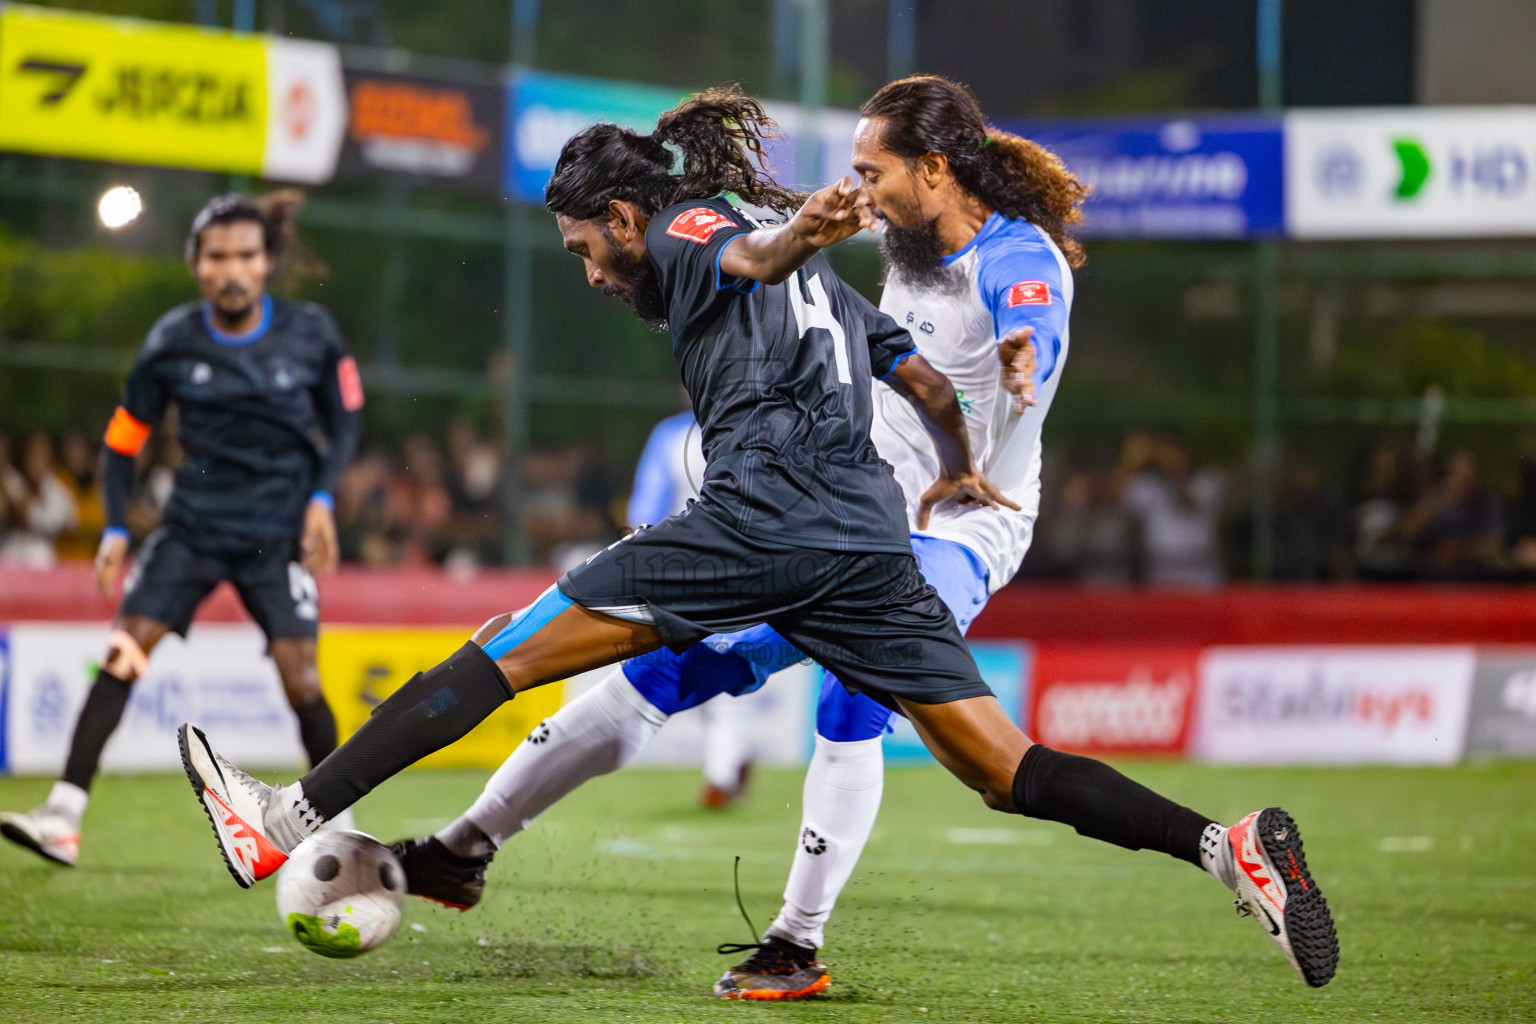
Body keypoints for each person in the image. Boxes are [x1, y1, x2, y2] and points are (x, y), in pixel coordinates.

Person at [177, 86, 1338, 992]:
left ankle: (278, 821)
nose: (587, 272)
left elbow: (745, 258)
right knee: (1002, 765)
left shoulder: (706, 226)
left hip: (762, 514)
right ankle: (1225, 847)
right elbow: (923, 374)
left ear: (626, 216)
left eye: (587, 247)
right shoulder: (842, 281)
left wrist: (801, 241)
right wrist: (963, 457)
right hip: (869, 540)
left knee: (511, 648)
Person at [386, 73, 1069, 1002]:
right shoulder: (902, 252)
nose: (861, 187)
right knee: (663, 668)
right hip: (850, 506)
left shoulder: (1016, 252)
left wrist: (1024, 344)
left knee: (853, 696)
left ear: (936, 168)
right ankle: (464, 848)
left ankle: (797, 940)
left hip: (963, 526)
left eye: (874, 170)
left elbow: (1032, 305)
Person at [1, 192, 363, 867]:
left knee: (303, 680)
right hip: (192, 527)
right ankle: (63, 815)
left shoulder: (312, 333)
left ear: (268, 263)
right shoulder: (171, 341)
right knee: (122, 652)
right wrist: (113, 528)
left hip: (277, 531)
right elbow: (121, 439)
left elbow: (344, 422)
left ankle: (343, 827)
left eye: (247, 256)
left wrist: (321, 497)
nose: (233, 270)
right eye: (218, 256)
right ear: (194, 263)